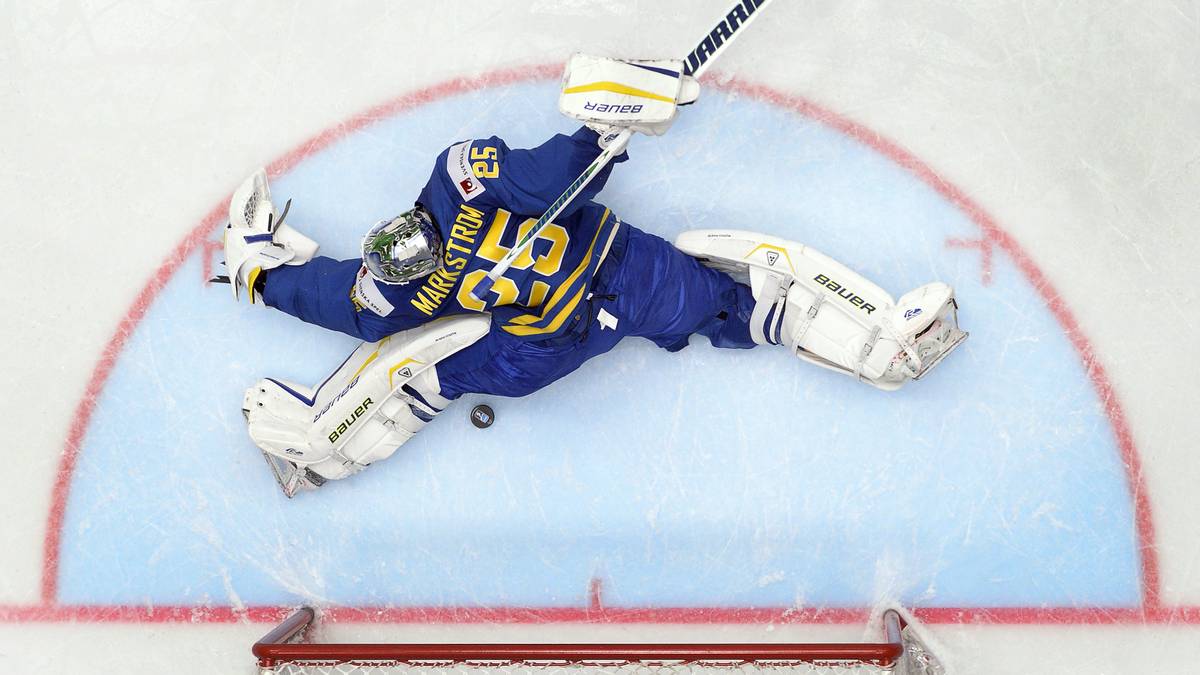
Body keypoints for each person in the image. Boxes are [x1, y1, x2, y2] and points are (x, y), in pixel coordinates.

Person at [221, 55, 967, 496]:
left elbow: (542, 180)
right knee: (416, 369)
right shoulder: (408, 271)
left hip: (608, 275)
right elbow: (337, 297)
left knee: (727, 301)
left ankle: (874, 348)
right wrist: (266, 277)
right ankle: (322, 447)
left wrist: (596, 136)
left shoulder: (454, 184)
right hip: (550, 333)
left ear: (417, 216)